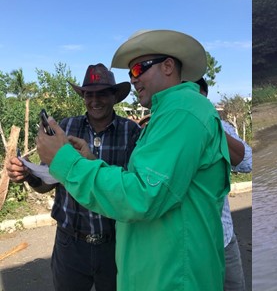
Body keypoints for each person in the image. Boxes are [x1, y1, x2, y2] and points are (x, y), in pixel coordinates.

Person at [36, 30, 230, 291]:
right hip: (155, 270)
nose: (133, 78)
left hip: (173, 277)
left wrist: (66, 161)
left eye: (138, 69)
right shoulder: (168, 114)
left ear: (168, 66)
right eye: (130, 73)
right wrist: (89, 161)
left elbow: (143, 195)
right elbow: (145, 181)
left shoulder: (182, 112)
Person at [5, 64, 142, 291]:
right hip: (70, 244)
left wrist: (90, 162)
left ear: (114, 96)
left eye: (102, 93)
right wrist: (28, 175)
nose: (95, 100)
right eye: (89, 94)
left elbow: (134, 187)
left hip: (116, 244)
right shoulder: (66, 127)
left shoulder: (132, 132)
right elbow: (48, 182)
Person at [196, 78, 250, 291]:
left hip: (223, 237)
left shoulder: (220, 127)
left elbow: (247, 163)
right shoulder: (170, 130)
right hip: (189, 243)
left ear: (205, 98)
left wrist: (212, 127)